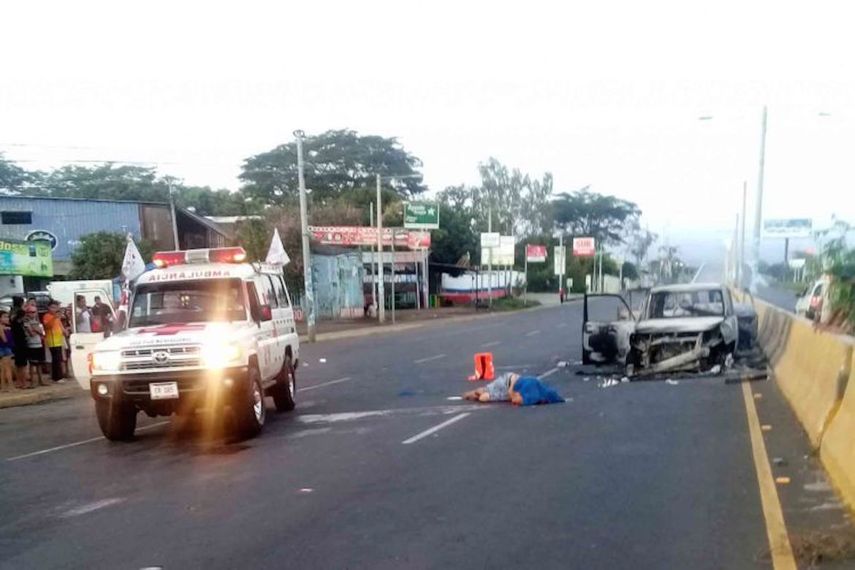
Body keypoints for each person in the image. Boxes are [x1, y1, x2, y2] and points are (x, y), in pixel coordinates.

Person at [463, 372, 564, 406]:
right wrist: (512, 392)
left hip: (510, 379)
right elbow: (515, 399)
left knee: (484, 394)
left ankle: (471, 394)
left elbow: (557, 397)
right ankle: (469, 394)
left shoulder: (541, 390)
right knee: (483, 396)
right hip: (508, 383)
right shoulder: (532, 396)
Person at [23, 303, 47, 387]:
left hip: (39, 344)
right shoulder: (26, 322)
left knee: (39, 363)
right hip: (31, 344)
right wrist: (37, 330)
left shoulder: (36, 322)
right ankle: (32, 382)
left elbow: (43, 333)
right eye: (31, 312)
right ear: (27, 313)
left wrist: (35, 329)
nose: (33, 314)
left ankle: (41, 381)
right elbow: (32, 333)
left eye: (34, 312)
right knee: (32, 364)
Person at [43, 301, 66, 383]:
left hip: (58, 340)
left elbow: (60, 325)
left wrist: (64, 331)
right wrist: (54, 318)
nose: (54, 309)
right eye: (52, 307)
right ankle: (57, 377)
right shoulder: (47, 316)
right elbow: (47, 326)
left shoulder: (57, 317)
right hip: (52, 341)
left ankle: (58, 376)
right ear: (48, 308)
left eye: (55, 307)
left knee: (59, 358)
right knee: (56, 359)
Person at [10, 297, 29, 389]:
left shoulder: (11, 312)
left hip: (14, 340)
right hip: (21, 340)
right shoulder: (20, 313)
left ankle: (18, 382)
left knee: (17, 363)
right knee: (23, 364)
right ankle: (23, 382)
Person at [0, 311, 14, 391]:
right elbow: (4, 339)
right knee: (8, 368)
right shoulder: (1, 327)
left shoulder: (4, 327)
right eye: (5, 317)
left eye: (7, 317)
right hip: (5, 348)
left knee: (3, 368)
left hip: (3, 348)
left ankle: (3, 386)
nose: (7, 318)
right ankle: (10, 386)